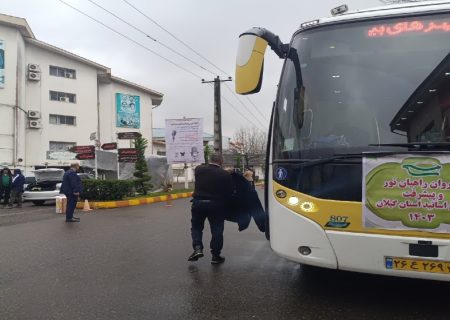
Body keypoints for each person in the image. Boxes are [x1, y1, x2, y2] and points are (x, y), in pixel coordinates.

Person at [188, 153, 233, 264]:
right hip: (216, 206)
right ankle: (216, 256)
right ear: (221, 161)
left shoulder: (199, 169)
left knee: (197, 227)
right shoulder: (225, 174)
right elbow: (230, 192)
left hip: (198, 204)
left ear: (209, 160)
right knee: (217, 231)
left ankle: (197, 248)